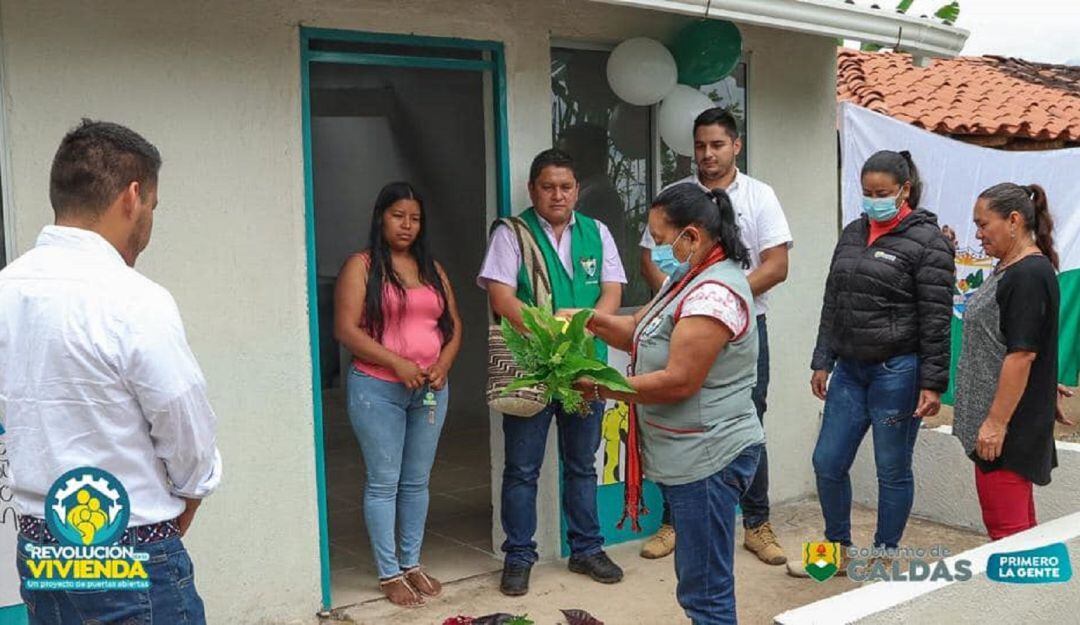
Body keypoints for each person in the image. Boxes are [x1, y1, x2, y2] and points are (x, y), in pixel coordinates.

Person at [2, 119, 222, 624]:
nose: (149, 221)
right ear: (132, 196)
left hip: (42, 542)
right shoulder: (132, 298)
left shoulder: (7, 289)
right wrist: (190, 494)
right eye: (153, 208)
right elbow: (184, 423)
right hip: (129, 545)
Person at [579, 183, 764, 625]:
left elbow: (680, 381)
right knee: (699, 583)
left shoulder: (713, 294)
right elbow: (639, 333)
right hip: (689, 453)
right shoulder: (686, 279)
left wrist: (602, 388)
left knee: (705, 592)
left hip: (709, 457)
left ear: (693, 236)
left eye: (662, 240)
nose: (657, 250)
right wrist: (588, 321)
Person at [638, 107, 792, 565]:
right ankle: (675, 520)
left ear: (736, 146)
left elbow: (777, 265)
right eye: (700, 146)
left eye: (717, 145)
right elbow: (651, 258)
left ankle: (757, 523)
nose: (707, 154)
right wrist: (676, 302)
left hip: (740, 329)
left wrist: (719, 300)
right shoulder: (676, 196)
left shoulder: (760, 196)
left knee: (745, 423)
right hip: (678, 325)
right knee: (673, 414)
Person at [796, 150, 954, 575]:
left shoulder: (927, 242)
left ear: (905, 190)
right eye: (866, 192)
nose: (873, 200)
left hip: (897, 373)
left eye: (882, 193)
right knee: (827, 462)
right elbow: (834, 301)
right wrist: (821, 360)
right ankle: (836, 551)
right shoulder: (852, 233)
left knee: (891, 468)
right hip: (848, 370)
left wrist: (933, 382)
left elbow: (937, 318)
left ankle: (885, 554)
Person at [478, 148, 626, 596]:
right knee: (522, 469)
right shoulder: (512, 234)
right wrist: (553, 330)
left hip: (585, 368)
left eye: (565, 187)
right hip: (532, 368)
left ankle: (586, 549)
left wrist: (582, 324)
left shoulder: (596, 232)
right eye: (548, 187)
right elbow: (502, 299)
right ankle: (519, 556)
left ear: (577, 190)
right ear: (532, 190)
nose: (557, 195)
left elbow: (612, 293)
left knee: (582, 464)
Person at [334, 182, 463, 607]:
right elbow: (347, 330)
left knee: (417, 482)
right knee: (383, 483)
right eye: (398, 216)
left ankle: (412, 563)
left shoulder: (432, 269)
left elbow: (454, 325)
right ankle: (389, 571)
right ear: (380, 217)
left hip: (428, 390)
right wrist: (396, 363)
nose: (407, 225)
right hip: (377, 388)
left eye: (415, 218)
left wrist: (442, 364)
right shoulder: (363, 266)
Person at [953, 183, 1069, 540]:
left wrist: (995, 423)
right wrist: (1044, 384)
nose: (978, 233)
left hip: (1007, 432)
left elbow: (1022, 354)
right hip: (1002, 423)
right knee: (1018, 531)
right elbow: (1020, 341)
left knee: (1009, 535)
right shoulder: (1011, 268)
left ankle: (1024, 595)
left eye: (984, 224)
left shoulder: (1029, 275)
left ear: (1014, 220)